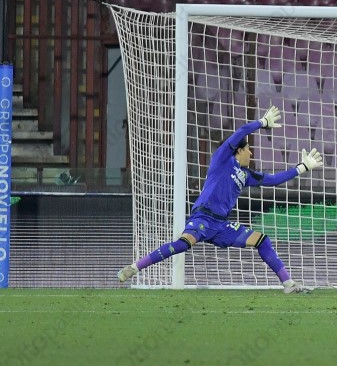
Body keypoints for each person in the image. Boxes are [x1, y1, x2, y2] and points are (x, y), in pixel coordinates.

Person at [117, 106, 323, 293]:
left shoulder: (246, 175)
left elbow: (274, 180)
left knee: (262, 240)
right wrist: (261, 123)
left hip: (221, 226)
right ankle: (135, 267)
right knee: (184, 244)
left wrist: (302, 167)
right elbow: (242, 131)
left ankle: (288, 284)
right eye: (248, 149)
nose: (251, 153)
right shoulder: (222, 159)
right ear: (239, 151)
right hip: (203, 217)